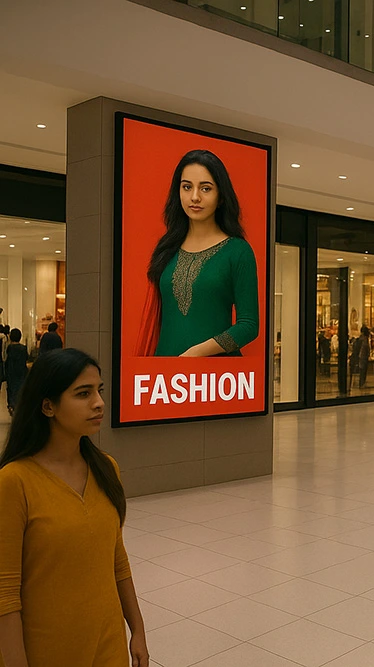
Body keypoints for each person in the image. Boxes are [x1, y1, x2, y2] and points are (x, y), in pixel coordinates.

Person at [0, 349, 148, 666]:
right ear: (48, 406)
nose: (99, 403)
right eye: (83, 393)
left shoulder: (107, 469)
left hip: (108, 645)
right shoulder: (15, 482)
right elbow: (5, 594)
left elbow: (116, 560)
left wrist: (137, 630)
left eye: (99, 390)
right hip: (48, 649)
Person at [135, 149, 259, 357]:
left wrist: (196, 354)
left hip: (215, 378)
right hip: (165, 376)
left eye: (206, 188)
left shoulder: (238, 251)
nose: (195, 197)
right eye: (187, 187)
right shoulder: (167, 247)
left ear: (220, 196)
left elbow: (249, 325)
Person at [4, 330, 28, 415]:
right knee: (20, 388)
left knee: (11, 388)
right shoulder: (23, 348)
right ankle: (18, 405)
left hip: (11, 371)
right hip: (21, 371)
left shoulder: (9, 348)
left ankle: (11, 405)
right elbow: (26, 358)